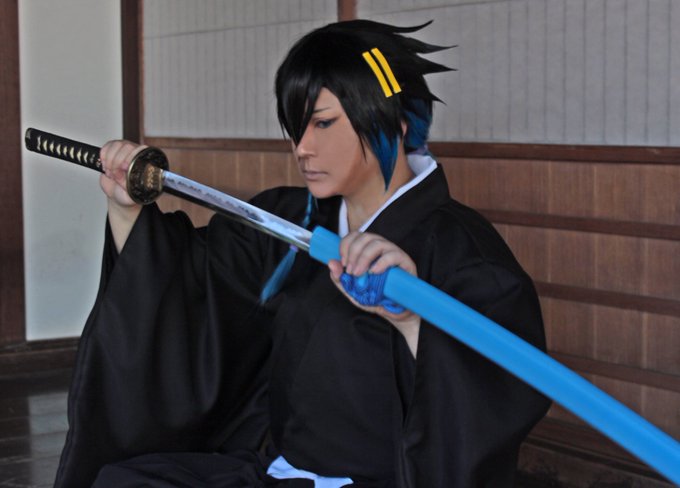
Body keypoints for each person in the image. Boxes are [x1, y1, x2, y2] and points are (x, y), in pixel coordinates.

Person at [55, 20, 550, 487]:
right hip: (280, 471)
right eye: (297, 127)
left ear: (394, 123)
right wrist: (128, 209)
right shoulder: (289, 221)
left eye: (324, 124)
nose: (303, 147)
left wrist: (411, 319)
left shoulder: (464, 250)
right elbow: (192, 285)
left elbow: (498, 389)